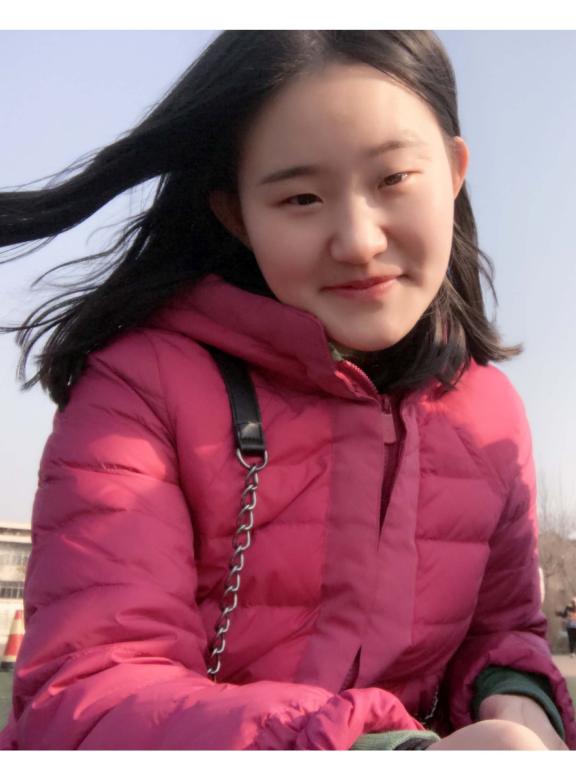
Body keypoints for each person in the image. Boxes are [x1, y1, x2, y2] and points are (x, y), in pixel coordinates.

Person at [0, 30, 574, 751]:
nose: (358, 241)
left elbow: (501, 630)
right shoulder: (139, 389)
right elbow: (86, 696)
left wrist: (517, 698)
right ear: (237, 214)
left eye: (394, 179)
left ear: (455, 172)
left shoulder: (489, 411)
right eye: (302, 197)